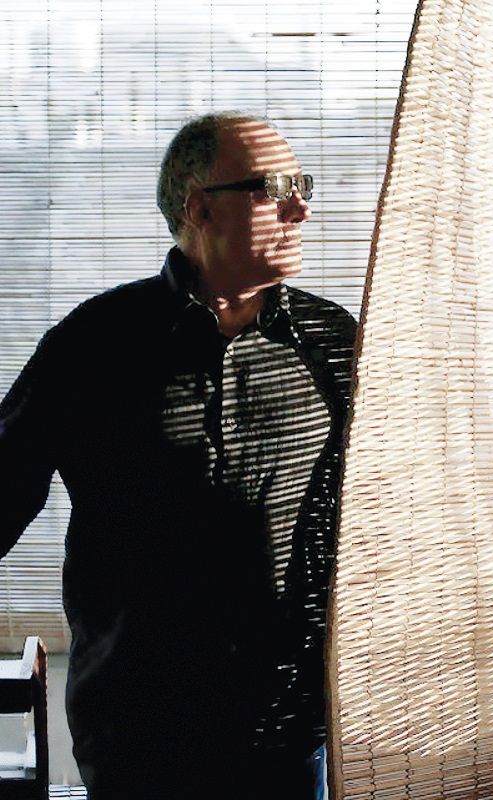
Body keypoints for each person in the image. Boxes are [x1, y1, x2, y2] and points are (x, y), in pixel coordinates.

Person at [0, 112, 357, 798]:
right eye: (274, 188)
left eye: (302, 185)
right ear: (200, 209)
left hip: (285, 738)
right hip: (138, 735)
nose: (300, 208)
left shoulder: (332, 344)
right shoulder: (93, 346)